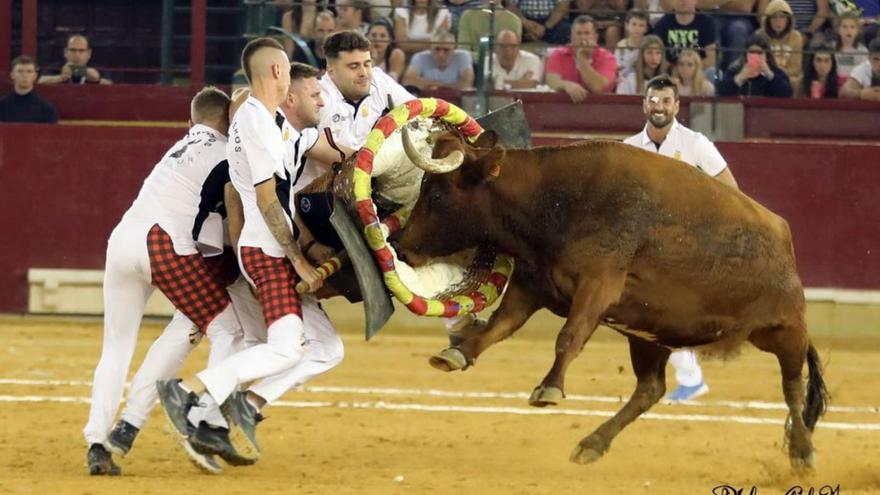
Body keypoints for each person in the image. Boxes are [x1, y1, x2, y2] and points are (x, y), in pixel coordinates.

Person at [156, 37, 323, 464]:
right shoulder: (258, 123)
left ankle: (210, 420)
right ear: (275, 72)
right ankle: (193, 395)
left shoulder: (257, 117)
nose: (289, 76)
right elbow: (269, 199)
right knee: (287, 348)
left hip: (258, 247)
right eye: (286, 68)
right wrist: (300, 260)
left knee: (275, 343)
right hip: (268, 251)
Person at [82, 86, 243, 475]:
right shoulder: (230, 156)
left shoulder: (178, 147)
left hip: (121, 241)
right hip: (164, 243)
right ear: (227, 121)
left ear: (191, 122)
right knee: (227, 330)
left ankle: (98, 442)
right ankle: (201, 417)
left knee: (116, 347)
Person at [622, 75, 739, 403]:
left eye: (665, 101)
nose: (658, 107)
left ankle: (689, 376)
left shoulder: (696, 144)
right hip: (647, 248)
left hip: (688, 243)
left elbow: (731, 191)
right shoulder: (628, 149)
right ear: (644, 104)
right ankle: (689, 376)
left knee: (661, 312)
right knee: (655, 313)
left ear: (677, 105)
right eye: (653, 101)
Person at [546, 15, 619, 101]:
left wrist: (582, 58)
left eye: (587, 33)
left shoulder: (607, 57)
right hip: (565, 107)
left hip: (599, 107)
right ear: (571, 36)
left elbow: (599, 88)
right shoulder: (558, 54)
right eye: (579, 33)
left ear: (595, 37)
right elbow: (552, 81)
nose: (583, 38)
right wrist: (567, 85)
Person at [717, 34, 794, 96]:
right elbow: (721, 92)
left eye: (759, 53)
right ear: (745, 54)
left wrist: (769, 74)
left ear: (766, 55)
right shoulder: (734, 70)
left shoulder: (776, 72)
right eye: (752, 52)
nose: (755, 56)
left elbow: (787, 93)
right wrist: (740, 77)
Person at [652, 0, 717, 68]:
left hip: (700, 72)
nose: (683, 1)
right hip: (671, 73)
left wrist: (689, 70)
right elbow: (659, 58)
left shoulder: (707, 23)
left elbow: (711, 60)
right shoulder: (662, 24)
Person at [402, 31, 476, 90]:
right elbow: (408, 81)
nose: (441, 54)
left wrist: (435, 85)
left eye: (446, 50)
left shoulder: (463, 56)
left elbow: (466, 84)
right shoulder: (419, 57)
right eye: (437, 49)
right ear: (430, 47)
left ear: (454, 49)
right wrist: (450, 86)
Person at [756, 0, 804, 87]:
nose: (778, 21)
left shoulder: (796, 37)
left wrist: (776, 74)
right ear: (768, 19)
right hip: (764, 75)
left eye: (782, 17)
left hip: (785, 77)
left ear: (788, 19)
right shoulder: (759, 35)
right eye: (774, 17)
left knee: (795, 81)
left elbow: (796, 69)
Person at [0, 56, 58, 123]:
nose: (25, 75)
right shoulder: (1, 105)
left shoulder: (46, 109)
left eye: (29, 71)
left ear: (35, 76)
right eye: (20, 71)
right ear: (12, 75)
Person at [457, 0, 523, 59]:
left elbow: (511, 55)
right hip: (472, 67)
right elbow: (463, 52)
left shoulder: (514, 21)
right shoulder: (467, 16)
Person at [38, 34, 112, 85]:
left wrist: (97, 81)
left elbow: (110, 84)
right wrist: (60, 78)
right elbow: (40, 81)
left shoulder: (99, 68)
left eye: (81, 51)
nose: (77, 55)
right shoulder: (55, 67)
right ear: (65, 52)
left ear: (89, 53)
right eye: (73, 50)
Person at [505, 0, 573, 44]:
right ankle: (531, 35)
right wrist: (525, 22)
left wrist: (546, 27)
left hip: (552, 21)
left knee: (567, 31)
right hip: (523, 20)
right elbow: (510, 5)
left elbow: (564, 3)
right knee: (508, 31)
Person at [833, 11, 869, 77]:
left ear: (857, 30)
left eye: (852, 27)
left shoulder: (863, 51)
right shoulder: (831, 48)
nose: (848, 30)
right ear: (838, 30)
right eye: (844, 27)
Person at [614, 9, 650, 75]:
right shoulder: (621, 45)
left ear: (646, 28)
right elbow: (617, 67)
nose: (637, 28)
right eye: (634, 24)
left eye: (641, 25)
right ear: (627, 25)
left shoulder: (649, 45)